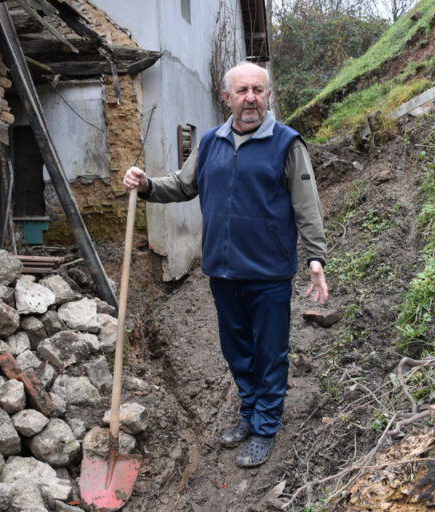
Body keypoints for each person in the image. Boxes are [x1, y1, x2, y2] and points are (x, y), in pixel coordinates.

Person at [123, 62, 328, 467]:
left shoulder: (288, 144)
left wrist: (316, 258)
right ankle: (249, 414)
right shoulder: (212, 142)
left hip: (269, 274)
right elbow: (183, 185)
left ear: (268, 95)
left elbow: (308, 208)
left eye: (257, 89)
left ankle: (267, 427)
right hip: (222, 271)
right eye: (242, 91)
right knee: (237, 351)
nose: (250, 98)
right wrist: (146, 185)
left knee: (269, 353)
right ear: (226, 98)